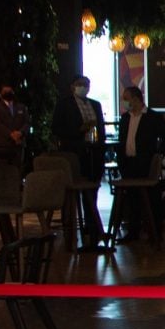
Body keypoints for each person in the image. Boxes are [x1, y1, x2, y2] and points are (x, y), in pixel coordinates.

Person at [52, 75, 107, 251]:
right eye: (80, 84)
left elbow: (101, 128)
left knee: (92, 192)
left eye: (86, 85)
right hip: (73, 153)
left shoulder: (95, 104)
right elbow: (56, 128)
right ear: (72, 86)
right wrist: (78, 131)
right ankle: (69, 231)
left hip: (93, 153)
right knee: (71, 196)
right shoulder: (64, 104)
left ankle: (92, 229)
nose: (84, 87)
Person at [116, 85, 165, 240]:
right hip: (128, 163)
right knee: (132, 198)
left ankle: (154, 232)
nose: (124, 102)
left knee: (151, 198)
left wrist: (158, 156)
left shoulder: (153, 117)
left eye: (126, 99)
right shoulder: (125, 118)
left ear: (136, 99)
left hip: (146, 163)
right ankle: (133, 232)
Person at [0, 83, 29, 168]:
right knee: (1, 172)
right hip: (1, 146)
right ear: (0, 94)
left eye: (10, 91)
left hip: (18, 146)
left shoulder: (21, 107)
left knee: (17, 171)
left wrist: (20, 133)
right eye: (5, 92)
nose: (8, 93)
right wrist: (11, 134)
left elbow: (27, 123)